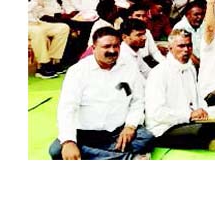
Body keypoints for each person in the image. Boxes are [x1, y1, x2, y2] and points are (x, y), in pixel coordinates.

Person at [49, 27, 155, 160]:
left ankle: (100, 154)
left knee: (146, 138)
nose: (112, 51)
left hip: (118, 131)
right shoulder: (78, 71)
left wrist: (130, 126)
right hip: (85, 133)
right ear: (94, 48)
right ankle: (125, 157)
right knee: (57, 150)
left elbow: (137, 101)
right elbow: (67, 108)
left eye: (116, 46)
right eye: (106, 46)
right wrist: (68, 141)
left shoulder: (129, 66)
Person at [145, 29, 215, 152]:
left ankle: (206, 137)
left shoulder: (190, 68)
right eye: (181, 46)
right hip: (165, 127)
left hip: (188, 119)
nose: (186, 50)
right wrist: (189, 115)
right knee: (200, 130)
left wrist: (205, 112)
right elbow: (156, 113)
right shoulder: (159, 73)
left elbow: (197, 98)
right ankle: (206, 141)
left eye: (189, 45)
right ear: (170, 48)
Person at [28, 0, 70, 78]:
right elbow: (36, 3)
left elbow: (40, 6)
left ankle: (53, 61)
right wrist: (35, 3)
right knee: (38, 32)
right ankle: (43, 66)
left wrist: (35, 5)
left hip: (36, 22)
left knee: (63, 28)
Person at [173, 0, 207, 66]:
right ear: (187, 15)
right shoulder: (180, 28)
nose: (200, 17)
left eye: (202, 14)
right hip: (188, 64)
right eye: (196, 14)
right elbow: (185, 52)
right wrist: (201, 66)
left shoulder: (204, 25)